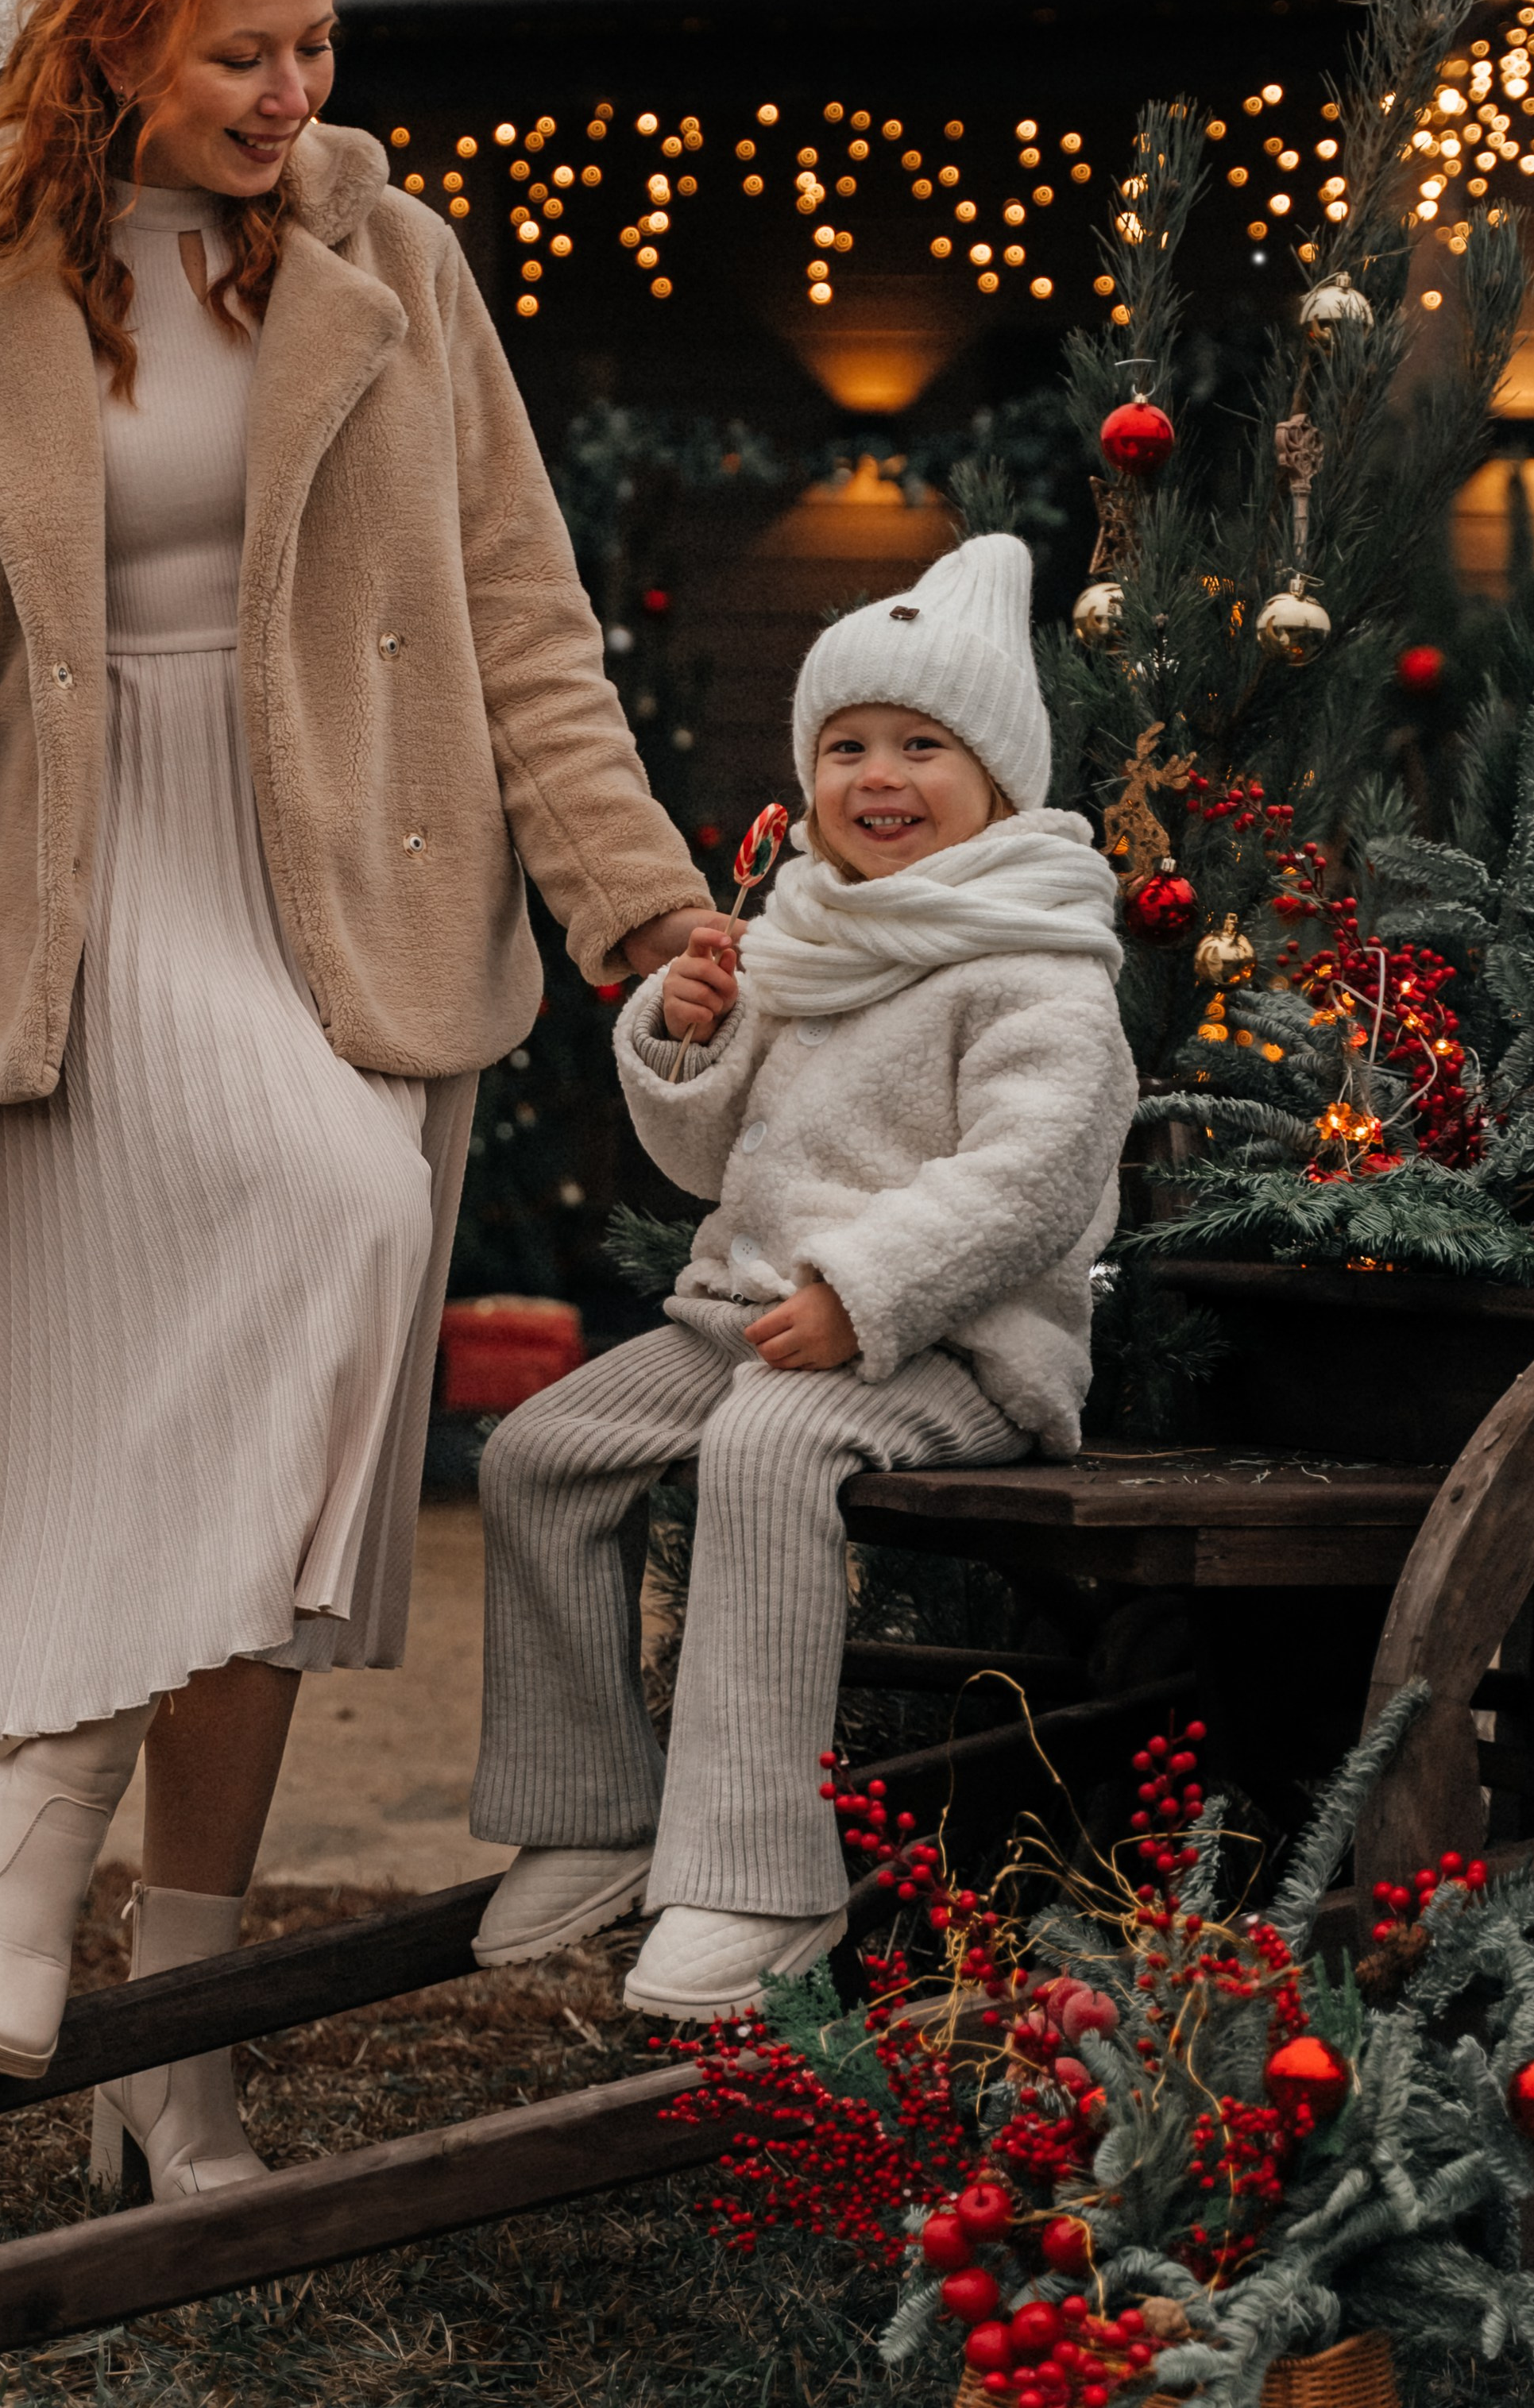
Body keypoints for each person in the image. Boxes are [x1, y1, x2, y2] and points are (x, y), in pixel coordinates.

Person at [0, 0, 709, 2196]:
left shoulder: (391, 263)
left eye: (320, 39)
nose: (293, 87)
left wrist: (635, 905)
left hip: (353, 896)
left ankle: (166, 2039)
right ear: (115, 40)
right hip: (94, 919)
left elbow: (524, 611)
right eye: (242, 50)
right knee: (309, 1252)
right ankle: (41, 1808)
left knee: (275, 1535)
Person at [467, 532, 1137, 2021]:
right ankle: (588, 1811)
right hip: (758, 1318)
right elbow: (708, 1162)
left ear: (998, 782)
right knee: (538, 1454)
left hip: (952, 1345)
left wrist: (867, 1289)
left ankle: (760, 1878)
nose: (873, 774)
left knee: (767, 1451)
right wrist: (689, 1032)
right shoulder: (805, 936)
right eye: (843, 745)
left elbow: (1030, 1184)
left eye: (918, 744)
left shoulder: (1038, 964)